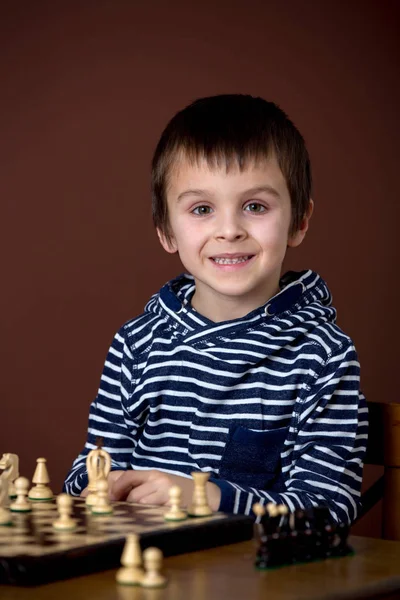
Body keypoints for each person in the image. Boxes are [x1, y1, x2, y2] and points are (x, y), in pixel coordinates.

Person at [64, 94, 368, 524]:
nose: (229, 230)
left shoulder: (323, 356)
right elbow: (87, 472)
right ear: (167, 231)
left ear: (299, 221)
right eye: (202, 209)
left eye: (255, 206)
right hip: (145, 572)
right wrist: (101, 485)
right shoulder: (136, 344)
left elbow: (328, 509)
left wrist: (207, 497)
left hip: (256, 582)